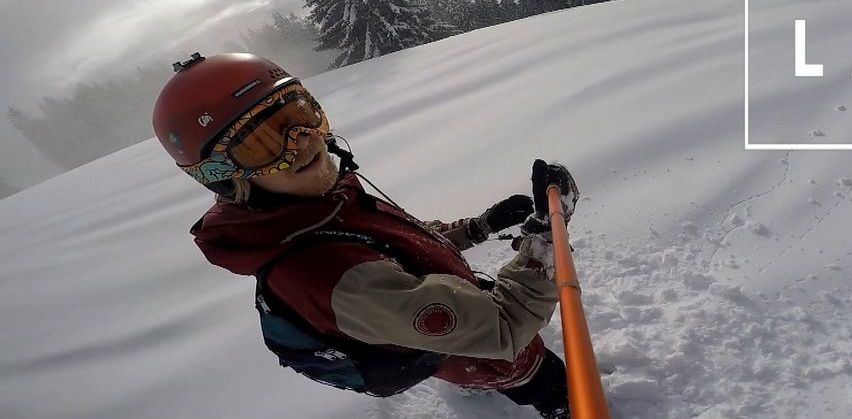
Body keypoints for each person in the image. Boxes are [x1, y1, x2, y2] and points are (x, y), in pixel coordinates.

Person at [152, 52, 579, 418]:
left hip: (443, 325)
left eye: (300, 115)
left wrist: (477, 228)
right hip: (481, 350)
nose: (303, 143)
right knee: (536, 375)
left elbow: (395, 245)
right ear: (225, 177)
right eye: (264, 145)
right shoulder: (327, 275)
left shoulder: (317, 203)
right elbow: (503, 331)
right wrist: (545, 239)